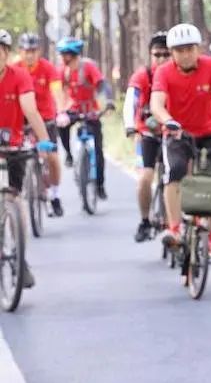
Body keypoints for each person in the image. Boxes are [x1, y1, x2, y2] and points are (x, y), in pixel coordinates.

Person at [149, 23, 211, 258]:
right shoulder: (164, 72)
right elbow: (156, 104)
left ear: (198, 49)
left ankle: (210, 232)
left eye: (190, 49)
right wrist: (167, 120)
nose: (185, 55)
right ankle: (174, 229)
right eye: (180, 50)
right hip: (177, 133)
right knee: (174, 173)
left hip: (209, 132)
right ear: (172, 52)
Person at [0, 28, 59, 287]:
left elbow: (30, 109)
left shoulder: (19, 76)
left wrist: (44, 140)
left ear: (6, 54)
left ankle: (20, 259)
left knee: (15, 199)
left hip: (14, 143)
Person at [123, 31, 170, 242]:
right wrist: (130, 125)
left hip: (174, 135)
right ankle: (144, 220)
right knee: (145, 178)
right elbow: (130, 100)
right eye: (157, 54)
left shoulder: (177, 74)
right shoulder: (142, 76)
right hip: (148, 134)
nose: (161, 59)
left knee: (179, 179)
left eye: (166, 55)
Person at [56, 37, 114, 200]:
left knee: (98, 150)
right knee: (61, 125)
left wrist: (108, 101)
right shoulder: (62, 71)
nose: (63, 59)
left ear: (73, 55)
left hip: (91, 111)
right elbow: (56, 91)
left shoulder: (87, 67)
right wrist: (59, 111)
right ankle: (68, 154)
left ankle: (100, 184)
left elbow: (102, 85)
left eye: (65, 55)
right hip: (73, 109)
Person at [16, 32, 67, 217]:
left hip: (46, 119)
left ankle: (54, 195)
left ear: (39, 51)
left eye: (33, 51)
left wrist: (61, 111)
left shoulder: (48, 68)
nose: (29, 55)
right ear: (19, 51)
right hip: (20, 120)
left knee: (52, 157)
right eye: (26, 51)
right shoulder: (14, 68)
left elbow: (57, 91)